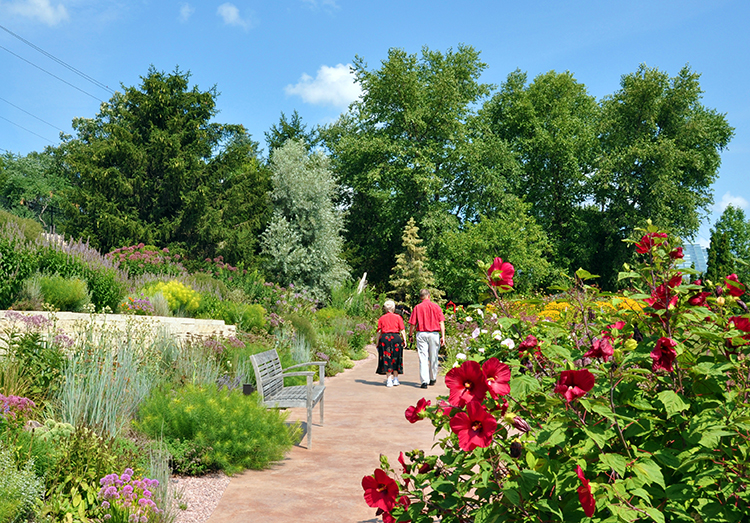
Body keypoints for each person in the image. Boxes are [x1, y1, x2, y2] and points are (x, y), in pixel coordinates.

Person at [408, 289, 445, 389]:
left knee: (423, 357)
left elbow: (412, 323)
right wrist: (443, 336)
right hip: (434, 333)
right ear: (429, 296)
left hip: (422, 333)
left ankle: (424, 381)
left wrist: (410, 335)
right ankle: (432, 378)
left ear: (421, 297)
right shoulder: (436, 307)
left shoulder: (417, 307)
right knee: (434, 356)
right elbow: (441, 322)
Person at [375, 299, 406, 387]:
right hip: (396, 338)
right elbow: (402, 330)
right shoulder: (398, 317)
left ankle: (389, 379)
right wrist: (405, 340)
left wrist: (377, 342)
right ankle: (395, 379)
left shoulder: (382, 318)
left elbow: (379, 331)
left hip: (385, 338)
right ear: (393, 308)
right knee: (396, 357)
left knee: (386, 358)